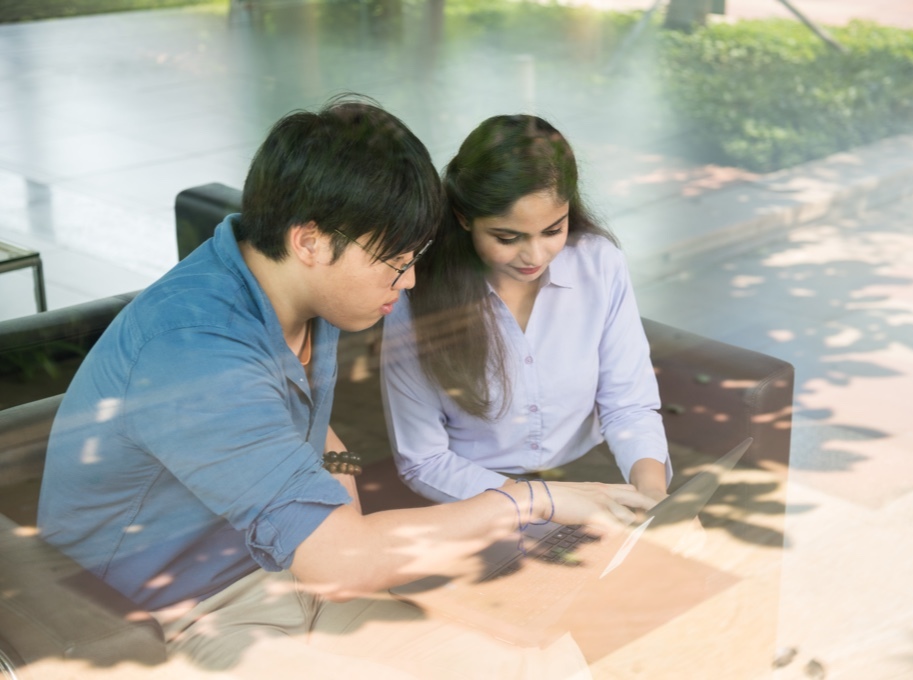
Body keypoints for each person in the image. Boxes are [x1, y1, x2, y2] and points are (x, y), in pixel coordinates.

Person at [36, 97, 654, 678]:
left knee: (539, 659)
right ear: (309, 241)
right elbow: (339, 559)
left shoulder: (303, 295)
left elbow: (312, 433)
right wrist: (531, 501)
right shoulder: (195, 351)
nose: (410, 282)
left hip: (295, 573)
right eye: (395, 262)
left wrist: (342, 509)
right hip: (182, 613)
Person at [380, 114, 672, 506]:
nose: (534, 256)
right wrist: (547, 503)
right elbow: (424, 461)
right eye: (507, 237)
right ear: (464, 219)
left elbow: (629, 405)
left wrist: (652, 495)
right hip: (474, 495)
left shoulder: (599, 265)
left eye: (553, 230)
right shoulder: (417, 295)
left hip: (586, 476)